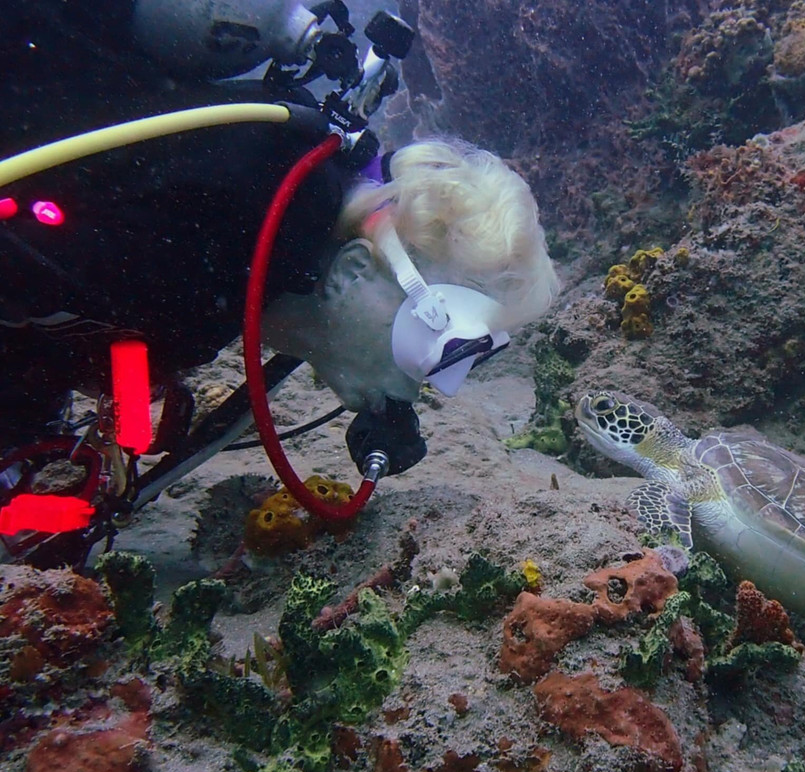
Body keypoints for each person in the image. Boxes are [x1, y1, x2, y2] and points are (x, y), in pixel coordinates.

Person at [0, 1, 559, 559]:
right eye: (441, 347)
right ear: (354, 272)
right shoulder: (200, 228)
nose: (422, 390)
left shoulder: (246, 260)